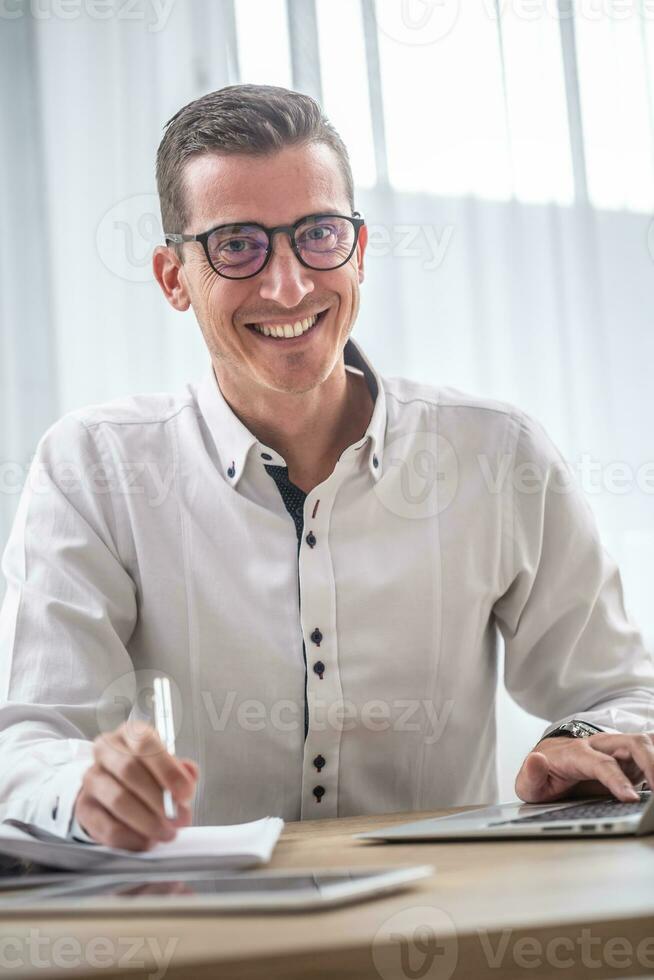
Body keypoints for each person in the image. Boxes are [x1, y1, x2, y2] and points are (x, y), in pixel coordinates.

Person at [1, 84, 653, 853]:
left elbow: (620, 693)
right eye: (236, 244)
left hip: (451, 932)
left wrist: (586, 743)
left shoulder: (497, 453)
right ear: (174, 278)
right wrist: (83, 787)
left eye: (318, 234)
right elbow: (28, 742)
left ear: (361, 249)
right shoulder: (93, 468)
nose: (290, 284)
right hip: (188, 943)